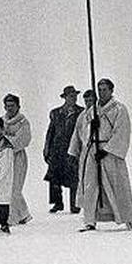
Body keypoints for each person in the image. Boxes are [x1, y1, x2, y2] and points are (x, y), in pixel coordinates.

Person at [68, 80, 132, 232]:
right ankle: (90, 220)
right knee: (90, 186)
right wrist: (91, 128)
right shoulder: (91, 111)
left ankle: (129, 219)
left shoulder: (119, 109)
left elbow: (122, 132)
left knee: (118, 185)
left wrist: (106, 150)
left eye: (105, 89)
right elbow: (81, 130)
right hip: (92, 151)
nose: (102, 92)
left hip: (111, 153)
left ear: (112, 90)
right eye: (99, 89)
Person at [44, 86, 84, 214]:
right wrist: (46, 148)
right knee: (54, 176)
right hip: (57, 149)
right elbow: (51, 132)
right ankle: (57, 203)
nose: (73, 98)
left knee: (74, 176)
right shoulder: (56, 113)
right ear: (65, 97)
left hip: (73, 148)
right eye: (70, 96)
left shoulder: (81, 112)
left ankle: (75, 204)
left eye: (74, 96)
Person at [2, 94, 32, 225]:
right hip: (4, 158)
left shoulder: (23, 122)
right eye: (7, 106)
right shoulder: (2, 121)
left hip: (18, 157)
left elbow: (23, 139)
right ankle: (24, 214)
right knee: (7, 187)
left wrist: (7, 143)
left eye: (12, 106)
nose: (9, 108)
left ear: (18, 106)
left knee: (15, 187)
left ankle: (12, 218)